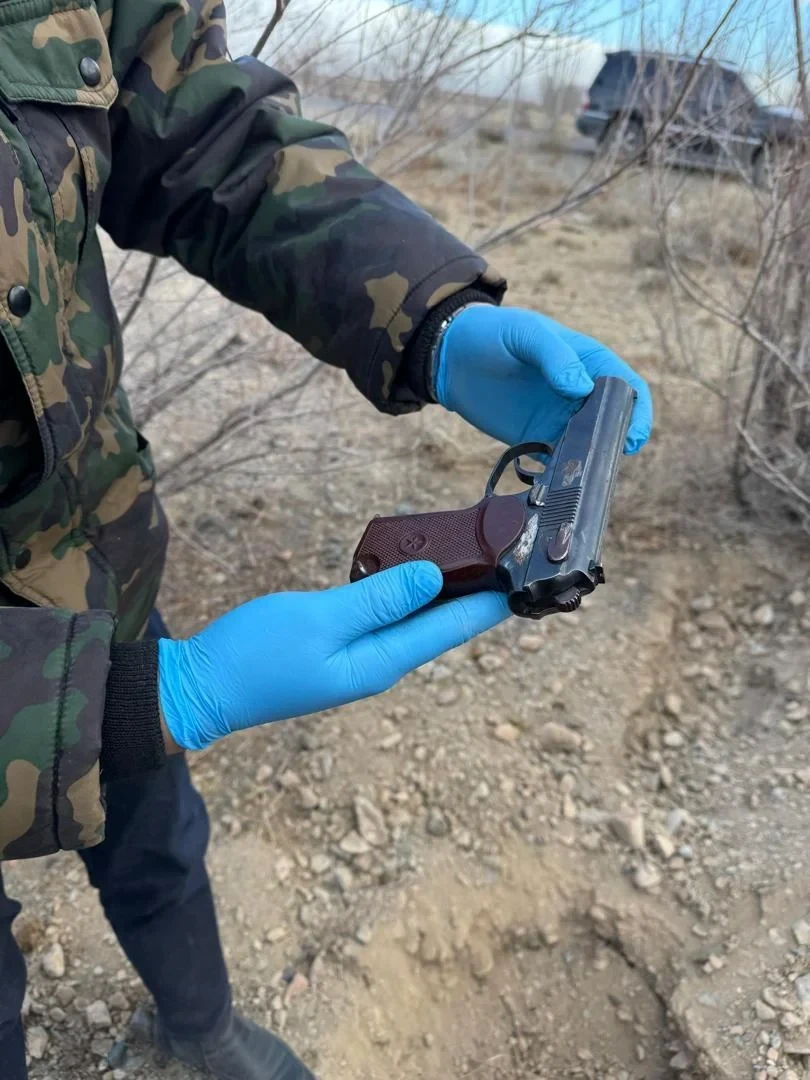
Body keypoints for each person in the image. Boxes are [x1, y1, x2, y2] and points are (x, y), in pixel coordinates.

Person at [0, 1, 653, 1077]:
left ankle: (202, 1028)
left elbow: (207, 132)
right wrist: (156, 700)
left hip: (95, 566)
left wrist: (429, 315)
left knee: (160, 839)